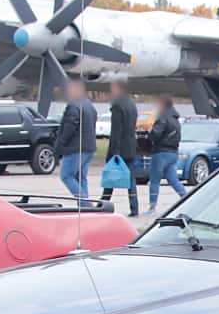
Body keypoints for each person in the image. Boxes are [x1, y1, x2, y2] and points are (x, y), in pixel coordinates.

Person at [53, 79, 97, 200]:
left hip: (75, 148)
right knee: (81, 177)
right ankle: (85, 206)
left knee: (66, 175)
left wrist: (61, 143)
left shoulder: (73, 106)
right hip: (89, 147)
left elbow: (69, 126)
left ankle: (84, 203)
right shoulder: (88, 105)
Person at [101, 81, 140, 216]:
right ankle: (134, 207)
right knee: (130, 180)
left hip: (120, 148)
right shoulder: (132, 105)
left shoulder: (117, 106)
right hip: (130, 147)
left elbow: (116, 131)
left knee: (110, 177)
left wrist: (113, 152)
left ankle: (102, 204)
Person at [147, 95, 190, 210]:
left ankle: (152, 206)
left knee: (154, 180)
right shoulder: (176, 120)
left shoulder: (163, 118)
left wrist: (149, 135)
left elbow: (156, 134)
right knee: (173, 179)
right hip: (173, 153)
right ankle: (185, 197)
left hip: (161, 152)